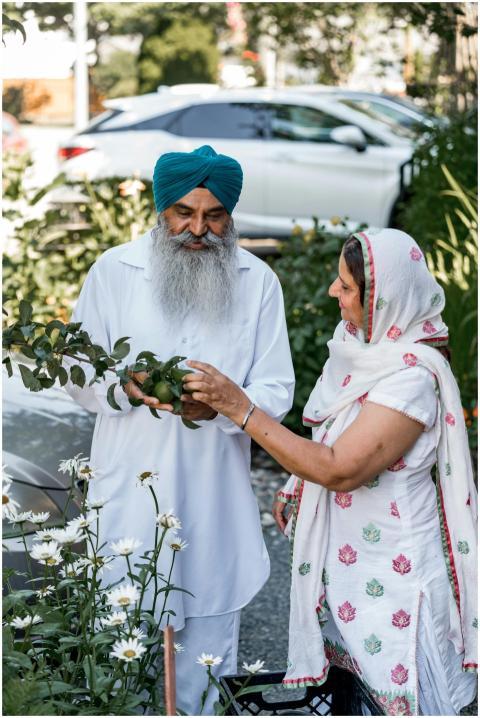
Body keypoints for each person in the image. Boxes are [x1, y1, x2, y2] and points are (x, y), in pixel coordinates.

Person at [183, 228, 478, 716]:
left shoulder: (410, 380)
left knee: (399, 701)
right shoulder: (364, 351)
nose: (332, 292)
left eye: (346, 286)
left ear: (384, 301)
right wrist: (298, 486)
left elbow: (341, 469)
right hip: (354, 566)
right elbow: (334, 435)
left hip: (396, 576)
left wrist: (240, 408)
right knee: (357, 694)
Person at [65, 145, 295, 714]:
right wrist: (125, 386)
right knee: (124, 656)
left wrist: (224, 405)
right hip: (129, 500)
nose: (198, 229)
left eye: (214, 216)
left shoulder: (257, 280)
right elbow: (78, 374)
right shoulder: (114, 271)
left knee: (208, 668)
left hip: (215, 502)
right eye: (184, 214)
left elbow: (277, 390)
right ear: (161, 209)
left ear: (230, 216)